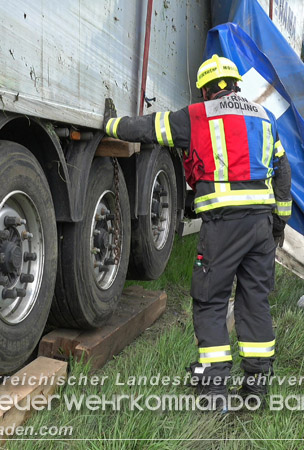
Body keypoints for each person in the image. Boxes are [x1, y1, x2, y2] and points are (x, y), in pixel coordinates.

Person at [103, 55, 292, 410]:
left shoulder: (198, 115)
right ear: (236, 84)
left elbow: (148, 128)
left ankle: (215, 390)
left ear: (206, 88)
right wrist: (279, 221)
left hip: (223, 226)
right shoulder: (265, 117)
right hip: (261, 227)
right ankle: (256, 388)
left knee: (211, 300)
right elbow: (283, 171)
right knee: (255, 300)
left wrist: (112, 125)